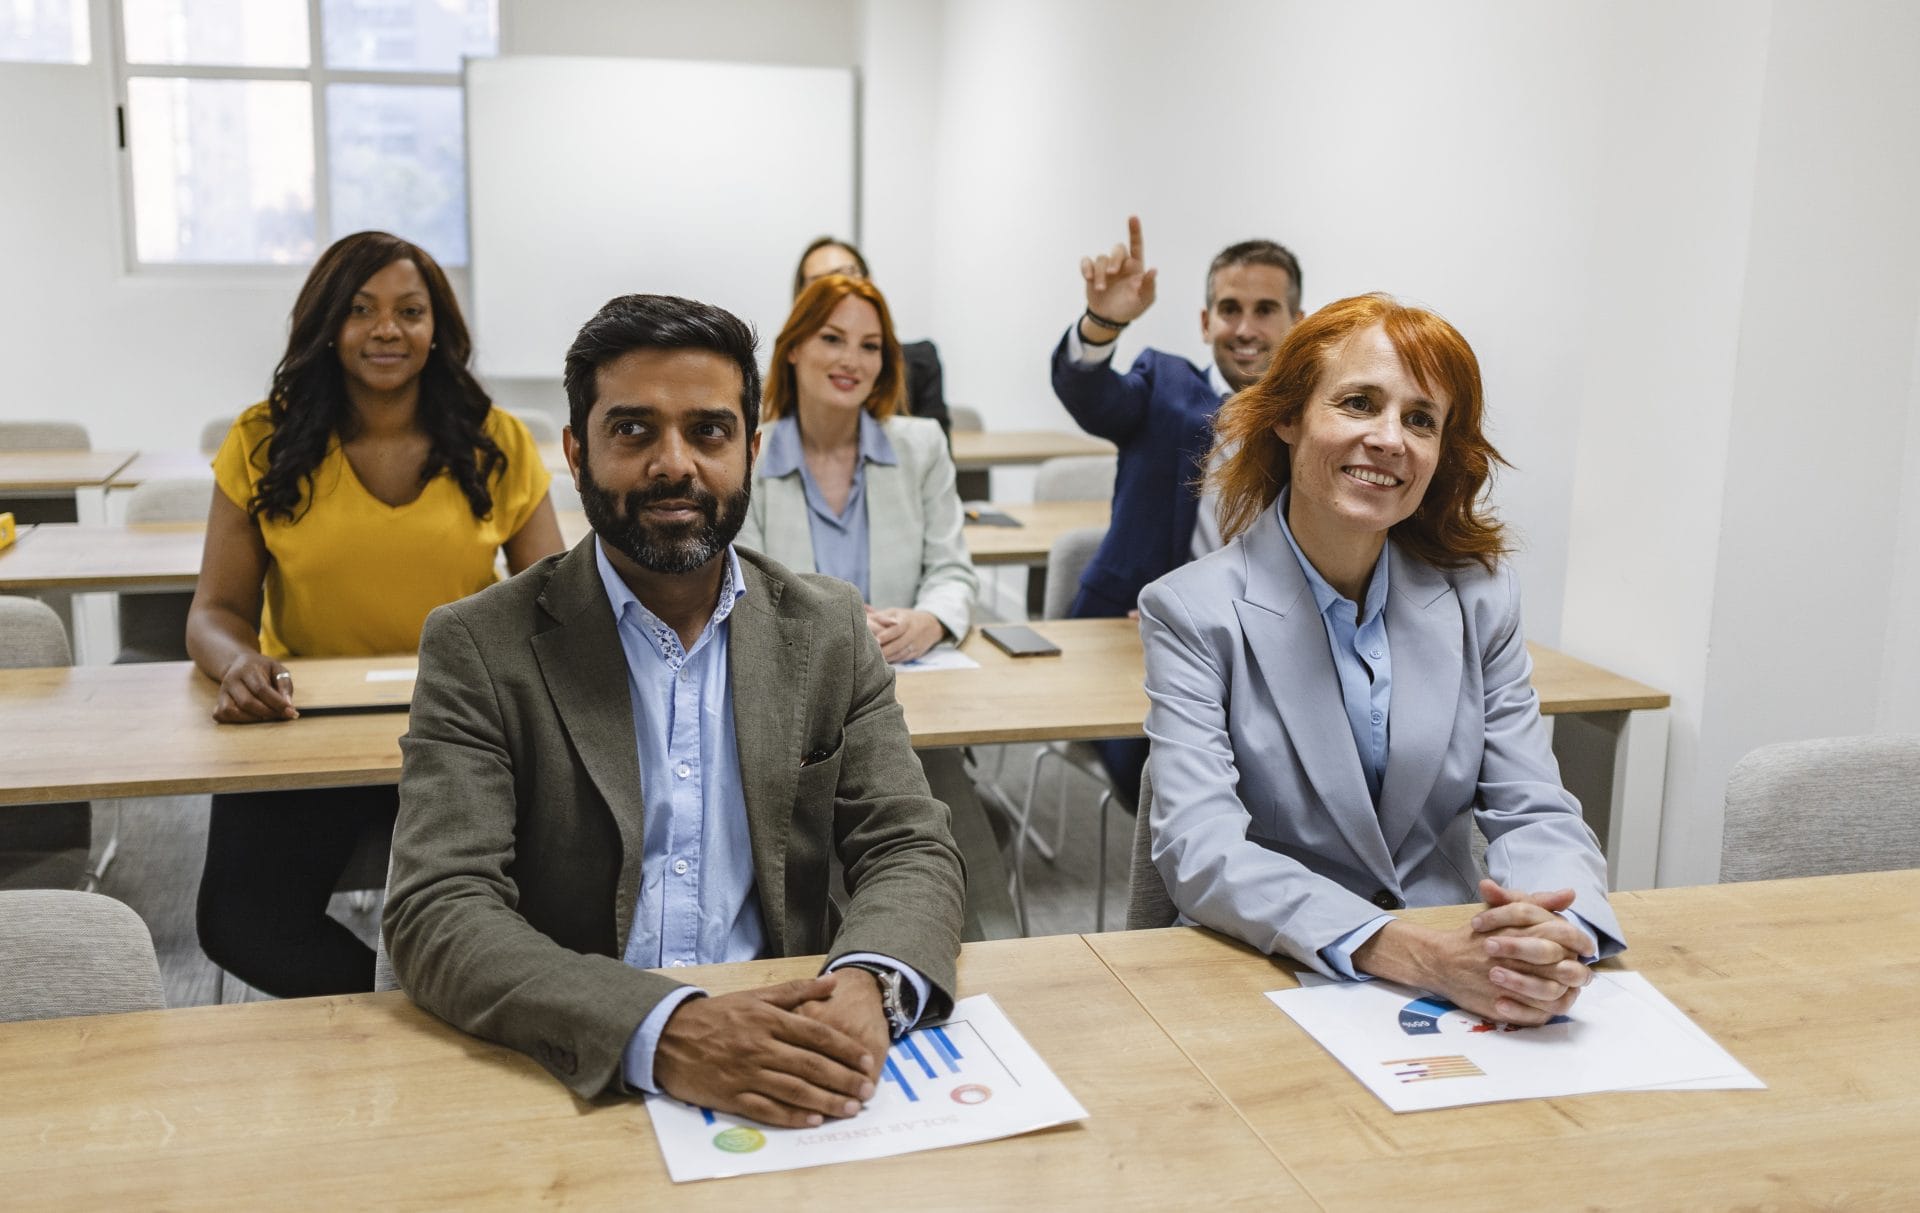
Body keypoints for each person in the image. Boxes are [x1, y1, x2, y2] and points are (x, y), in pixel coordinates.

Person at [384, 293, 967, 1125]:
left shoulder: (827, 627)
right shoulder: (481, 645)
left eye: (708, 431)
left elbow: (908, 842)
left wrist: (871, 983)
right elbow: (438, 905)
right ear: (576, 453)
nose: (673, 463)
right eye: (632, 430)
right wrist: (664, 1030)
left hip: (790, 1042)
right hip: (575, 1066)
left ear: (752, 451)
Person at [1140, 293, 1624, 1026]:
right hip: (1272, 969)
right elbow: (1203, 850)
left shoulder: (1479, 598)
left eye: (1420, 419)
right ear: (1288, 416)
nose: (1390, 438)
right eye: (1359, 403)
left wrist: (1556, 933)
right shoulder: (1192, 609)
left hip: (1469, 967)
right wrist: (1419, 955)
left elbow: (1534, 810)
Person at [188, 230, 564, 997]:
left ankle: (441, 997)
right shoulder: (263, 438)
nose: (387, 329)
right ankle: (408, 1006)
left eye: (409, 311)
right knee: (238, 916)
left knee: (531, 903)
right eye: (361, 310)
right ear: (327, 323)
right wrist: (239, 663)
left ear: (438, 329)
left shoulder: (498, 442)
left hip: (461, 725)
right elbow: (215, 611)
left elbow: (554, 601)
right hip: (301, 727)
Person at [740, 274, 1013, 939]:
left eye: (869, 345)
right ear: (794, 348)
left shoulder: (918, 445)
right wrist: (834, 633)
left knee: (938, 797)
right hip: (792, 703)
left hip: (909, 695)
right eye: (831, 338)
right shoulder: (747, 449)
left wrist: (929, 620)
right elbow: (740, 586)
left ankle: (996, 964)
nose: (850, 360)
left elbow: (952, 569)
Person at [1051, 216, 1304, 806]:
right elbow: (1092, 395)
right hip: (1130, 642)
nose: (1245, 328)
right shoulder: (1163, 384)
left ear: (1298, 322)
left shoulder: (1318, 422)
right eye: (1229, 308)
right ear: (1204, 320)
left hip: (1266, 650)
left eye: (1265, 309)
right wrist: (1102, 322)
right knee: (1187, 782)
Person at [794, 236, 951, 435]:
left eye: (846, 274)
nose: (835, 289)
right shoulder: (789, 376)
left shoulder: (919, 363)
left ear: (869, 283)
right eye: (818, 284)